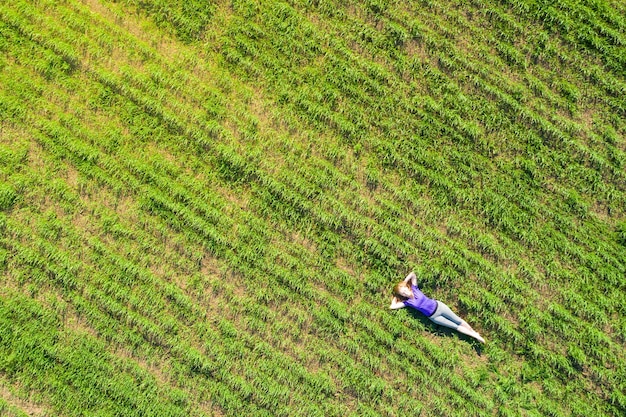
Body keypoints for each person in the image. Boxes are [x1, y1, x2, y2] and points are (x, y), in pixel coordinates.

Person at [390, 272, 485, 343]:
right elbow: (392, 307)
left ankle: (474, 332)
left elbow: (413, 274)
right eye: (402, 293)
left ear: (407, 287)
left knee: (458, 320)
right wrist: (396, 295)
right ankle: (475, 335)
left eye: (404, 289)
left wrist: (404, 282)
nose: (405, 292)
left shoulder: (415, 288)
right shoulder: (407, 302)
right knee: (455, 326)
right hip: (434, 317)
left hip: (440, 306)